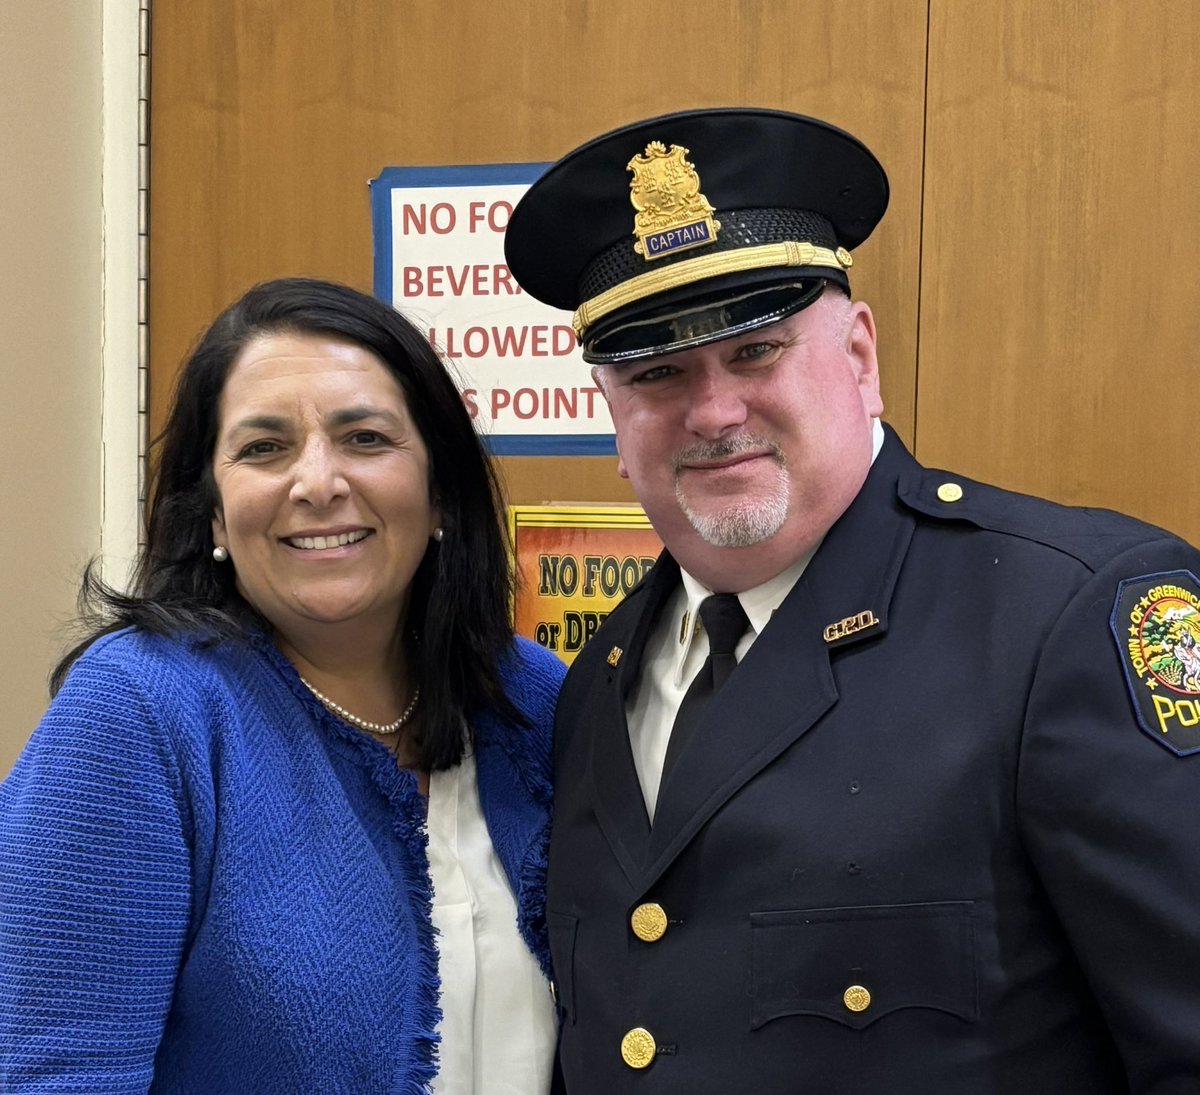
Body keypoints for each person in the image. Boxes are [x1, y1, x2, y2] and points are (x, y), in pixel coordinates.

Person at [503, 108, 1200, 1092]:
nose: (714, 411)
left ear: (861, 357)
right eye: (658, 373)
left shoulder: (1065, 618)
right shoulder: (596, 683)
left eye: (756, 351)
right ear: (612, 415)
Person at [0, 278, 565, 1093]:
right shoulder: (136, 713)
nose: (317, 482)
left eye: (365, 437)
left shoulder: (532, 700)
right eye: (264, 448)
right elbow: (56, 1074)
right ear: (215, 515)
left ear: (439, 489)